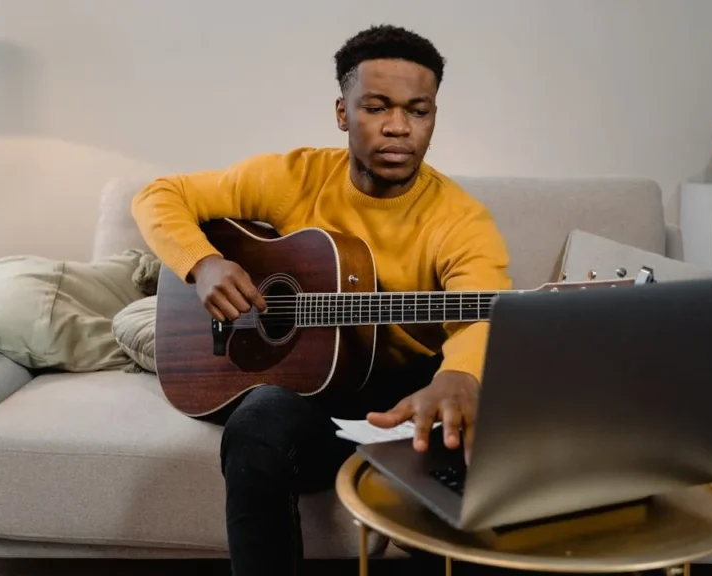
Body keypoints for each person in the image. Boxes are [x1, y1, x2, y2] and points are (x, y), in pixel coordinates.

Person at [131, 23, 512, 575]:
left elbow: (482, 308)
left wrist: (462, 377)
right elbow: (159, 194)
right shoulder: (294, 176)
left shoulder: (460, 219)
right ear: (342, 112)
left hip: (412, 389)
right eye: (377, 107)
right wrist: (203, 262)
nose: (399, 128)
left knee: (465, 445)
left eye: (418, 111)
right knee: (255, 425)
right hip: (311, 388)